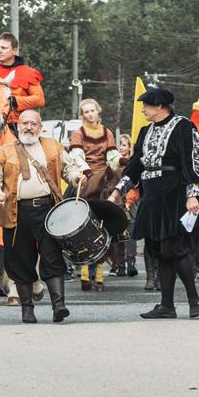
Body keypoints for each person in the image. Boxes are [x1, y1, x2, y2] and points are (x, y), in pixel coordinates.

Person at [108, 88, 199, 319]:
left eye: (146, 105)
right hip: (152, 196)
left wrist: (192, 194)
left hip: (175, 194)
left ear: (160, 106)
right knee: (159, 251)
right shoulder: (145, 131)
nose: (143, 109)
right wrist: (118, 190)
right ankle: (167, 305)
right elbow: (135, 164)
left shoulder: (183, 126)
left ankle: (194, 300)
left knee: (176, 249)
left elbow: (193, 162)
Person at [0, 110, 86, 323]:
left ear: (41, 128)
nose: (29, 127)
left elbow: (69, 168)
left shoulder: (53, 146)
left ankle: (59, 305)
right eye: (25, 123)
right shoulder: (4, 152)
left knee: (52, 257)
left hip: (49, 211)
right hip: (16, 212)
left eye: (33, 123)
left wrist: (76, 176)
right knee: (20, 261)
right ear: (18, 126)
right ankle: (27, 309)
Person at [68, 98, 123, 291]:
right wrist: (88, 172)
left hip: (105, 174)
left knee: (116, 206)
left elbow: (112, 156)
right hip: (85, 174)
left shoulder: (107, 132)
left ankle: (100, 276)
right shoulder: (78, 133)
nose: (90, 114)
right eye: (86, 112)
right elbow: (77, 157)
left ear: (98, 112)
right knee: (70, 204)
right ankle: (84, 273)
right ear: (82, 115)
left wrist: (122, 159)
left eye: (93, 111)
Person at [110, 133, 140, 278]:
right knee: (117, 233)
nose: (121, 148)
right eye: (119, 145)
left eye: (124, 144)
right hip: (116, 202)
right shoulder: (113, 165)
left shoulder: (132, 164)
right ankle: (119, 264)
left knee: (130, 234)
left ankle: (131, 264)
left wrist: (129, 201)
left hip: (130, 203)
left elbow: (134, 187)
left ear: (129, 147)